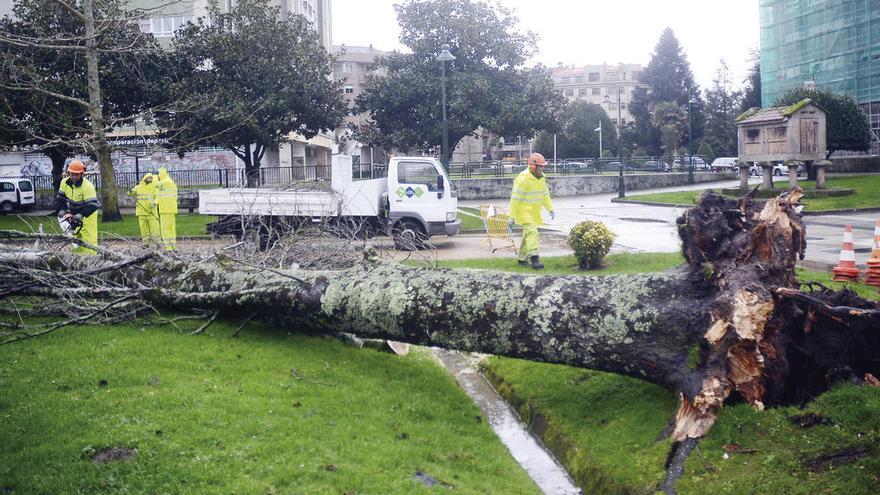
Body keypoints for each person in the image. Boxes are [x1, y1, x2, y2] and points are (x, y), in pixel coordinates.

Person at [509, 152, 555, 269]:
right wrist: (512, 216)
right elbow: (515, 200)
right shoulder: (523, 179)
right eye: (541, 166)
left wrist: (550, 209)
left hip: (534, 212)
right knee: (533, 232)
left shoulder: (541, 178)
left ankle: (522, 258)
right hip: (524, 212)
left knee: (527, 235)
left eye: (544, 166)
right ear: (533, 166)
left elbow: (545, 195)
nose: (543, 168)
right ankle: (535, 259)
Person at [53, 160, 99, 255]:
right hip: (74, 213)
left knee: (88, 240)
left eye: (77, 175)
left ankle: (92, 260)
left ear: (82, 174)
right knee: (74, 240)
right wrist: (61, 210)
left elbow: (92, 205)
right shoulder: (64, 183)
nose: (74, 177)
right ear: (68, 173)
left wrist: (81, 215)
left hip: (88, 215)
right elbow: (60, 199)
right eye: (72, 174)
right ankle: (77, 260)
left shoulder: (87, 186)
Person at [128, 173, 160, 247]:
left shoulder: (154, 188)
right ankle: (146, 243)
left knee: (155, 229)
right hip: (141, 211)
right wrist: (129, 191)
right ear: (145, 178)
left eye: (151, 178)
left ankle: (158, 243)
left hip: (151, 212)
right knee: (143, 230)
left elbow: (158, 197)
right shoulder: (138, 187)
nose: (150, 179)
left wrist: (154, 203)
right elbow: (131, 193)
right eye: (149, 178)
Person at [155, 167, 178, 251]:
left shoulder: (165, 182)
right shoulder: (171, 182)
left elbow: (156, 185)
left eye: (158, 174)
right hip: (171, 209)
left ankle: (168, 248)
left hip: (165, 209)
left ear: (161, 174)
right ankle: (173, 246)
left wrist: (153, 178)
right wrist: (155, 203)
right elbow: (160, 195)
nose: (158, 175)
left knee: (165, 229)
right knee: (171, 228)